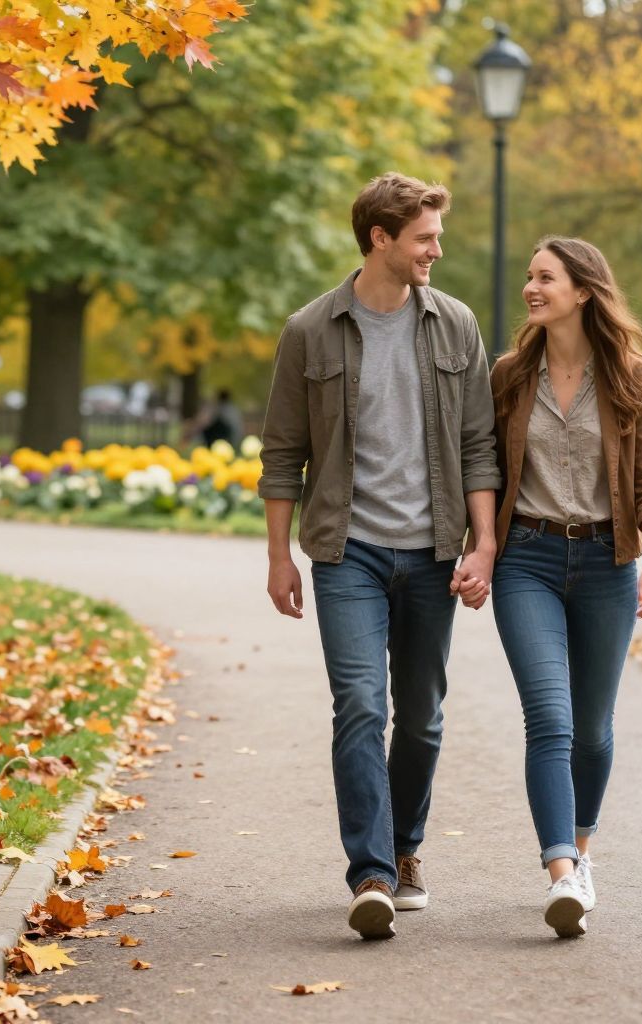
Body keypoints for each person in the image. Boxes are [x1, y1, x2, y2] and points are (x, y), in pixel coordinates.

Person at [259, 172, 500, 941]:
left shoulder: (455, 325)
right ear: (380, 238)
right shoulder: (310, 330)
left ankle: (404, 848)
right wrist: (279, 557)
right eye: (424, 238)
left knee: (421, 716)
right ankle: (370, 874)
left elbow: (479, 446)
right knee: (361, 704)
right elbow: (282, 453)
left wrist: (484, 544)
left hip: (432, 552)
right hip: (348, 552)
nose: (436, 250)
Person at [488, 237, 642, 938]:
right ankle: (561, 871)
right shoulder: (510, 376)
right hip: (526, 560)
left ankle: (583, 849)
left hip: (606, 562)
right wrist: (480, 547)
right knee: (551, 719)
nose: (531, 289)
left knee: (593, 730)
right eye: (529, 277)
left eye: (546, 278)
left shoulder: (631, 376)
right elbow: (485, 470)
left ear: (583, 291)